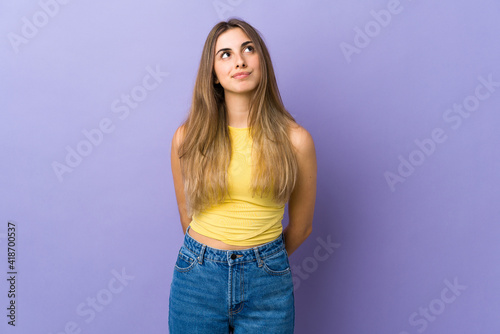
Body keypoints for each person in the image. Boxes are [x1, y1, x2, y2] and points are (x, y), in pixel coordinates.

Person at [169, 18, 317, 333]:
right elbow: (186, 215)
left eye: (248, 49)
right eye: (225, 54)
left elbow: (302, 228)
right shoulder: (187, 138)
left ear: (260, 59)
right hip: (197, 281)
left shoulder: (296, 141)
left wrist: (261, 259)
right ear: (213, 75)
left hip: (268, 284)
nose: (239, 60)